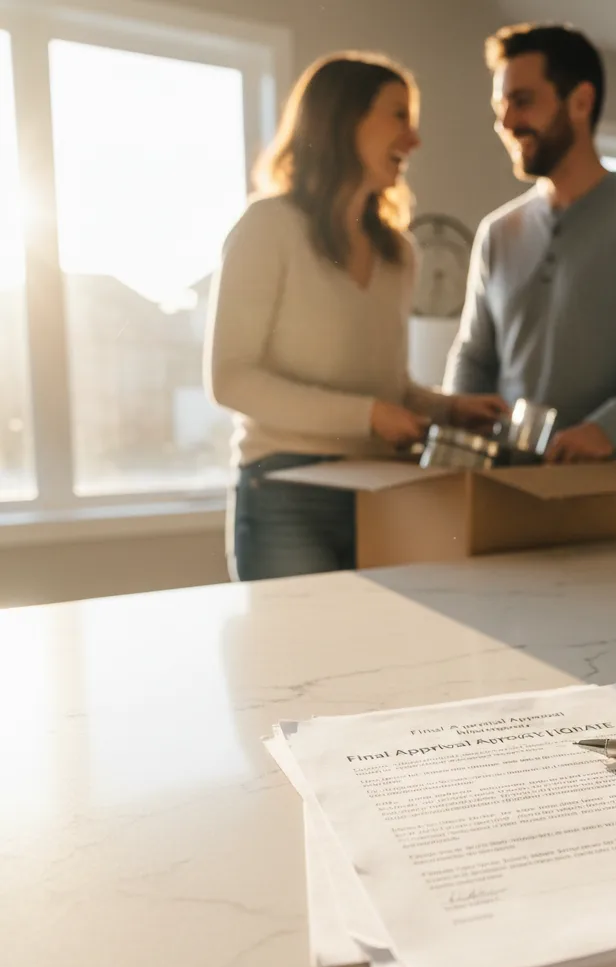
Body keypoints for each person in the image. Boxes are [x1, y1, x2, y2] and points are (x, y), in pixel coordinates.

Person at [205, 52, 506, 581]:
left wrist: (449, 409)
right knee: (299, 660)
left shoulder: (399, 253)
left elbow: (388, 389)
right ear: (344, 120)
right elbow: (231, 380)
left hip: (382, 490)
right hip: (284, 493)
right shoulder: (267, 227)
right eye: (399, 117)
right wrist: (368, 416)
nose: (414, 141)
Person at [446, 24, 616, 535]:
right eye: (500, 105)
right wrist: (460, 425)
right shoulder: (496, 233)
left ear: (580, 101)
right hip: (507, 498)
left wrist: (604, 431)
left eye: (522, 101)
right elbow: (474, 355)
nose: (506, 120)